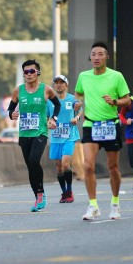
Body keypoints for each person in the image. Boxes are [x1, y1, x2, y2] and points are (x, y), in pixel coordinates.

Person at [74, 42, 130, 220]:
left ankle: (115, 204)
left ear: (107, 57)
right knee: (88, 166)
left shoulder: (116, 76)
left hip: (110, 125)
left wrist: (114, 102)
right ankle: (93, 205)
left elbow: (127, 100)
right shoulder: (83, 76)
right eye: (93, 54)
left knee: (113, 168)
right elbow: (78, 94)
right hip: (91, 124)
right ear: (90, 57)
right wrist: (78, 103)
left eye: (100, 54)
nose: (96, 57)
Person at [7, 59, 60, 212]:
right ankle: (38, 196)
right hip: (24, 133)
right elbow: (10, 109)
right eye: (26, 72)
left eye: (32, 71)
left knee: (34, 160)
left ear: (38, 72)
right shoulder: (18, 90)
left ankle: (41, 193)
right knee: (30, 166)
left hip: (40, 132)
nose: (29, 74)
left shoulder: (46, 89)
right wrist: (12, 114)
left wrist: (53, 119)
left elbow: (57, 104)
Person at [47, 75, 82, 203]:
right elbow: (46, 117)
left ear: (66, 85)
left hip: (69, 136)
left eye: (61, 82)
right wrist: (49, 123)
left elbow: (80, 110)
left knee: (65, 164)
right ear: (54, 85)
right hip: (56, 137)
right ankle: (64, 192)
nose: (59, 84)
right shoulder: (49, 101)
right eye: (56, 82)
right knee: (59, 167)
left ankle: (70, 191)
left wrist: (76, 118)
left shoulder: (72, 99)